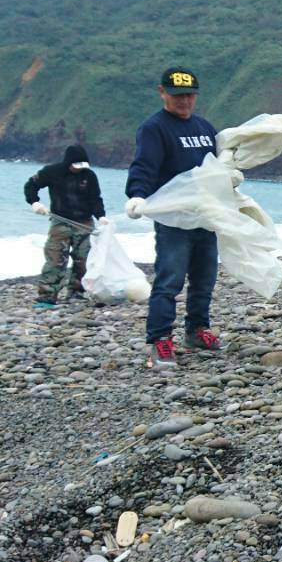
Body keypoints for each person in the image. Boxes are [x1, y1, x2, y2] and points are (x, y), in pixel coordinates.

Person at [124, 68, 222, 370]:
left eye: (190, 95)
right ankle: (160, 339)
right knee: (169, 280)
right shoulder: (154, 128)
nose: (185, 101)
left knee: (205, 278)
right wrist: (137, 194)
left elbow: (218, 166)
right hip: (173, 219)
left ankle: (196, 330)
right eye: (178, 95)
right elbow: (144, 164)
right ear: (162, 92)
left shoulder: (205, 127)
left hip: (205, 215)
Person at [23, 144, 105, 308]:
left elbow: (95, 198)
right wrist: (34, 202)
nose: (79, 169)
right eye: (76, 165)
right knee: (55, 258)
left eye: (82, 165)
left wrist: (101, 216)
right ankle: (47, 295)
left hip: (84, 222)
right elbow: (31, 185)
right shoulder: (52, 172)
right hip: (60, 221)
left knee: (84, 259)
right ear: (69, 162)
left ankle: (76, 292)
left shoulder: (89, 176)